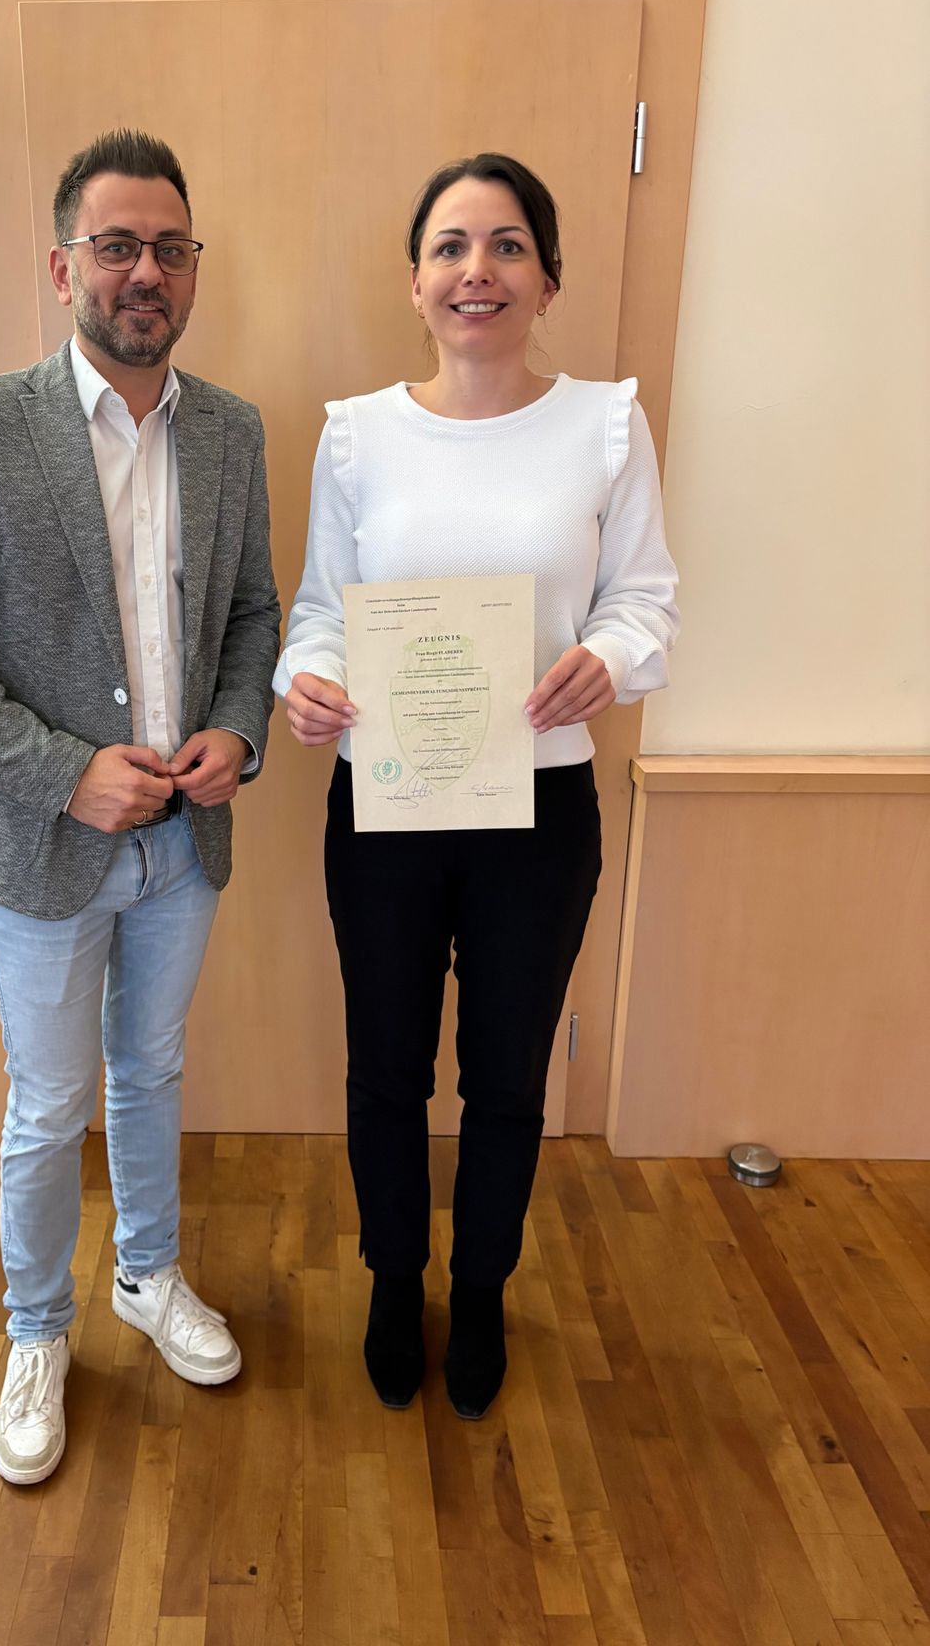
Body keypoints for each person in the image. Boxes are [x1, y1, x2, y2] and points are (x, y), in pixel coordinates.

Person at [0, 129, 280, 1483]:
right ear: (63, 267)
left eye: (169, 246)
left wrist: (234, 727)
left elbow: (249, 616)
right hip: (41, 849)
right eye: (116, 244)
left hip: (183, 847)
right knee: (50, 1105)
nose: (144, 270)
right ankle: (39, 1327)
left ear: (192, 268)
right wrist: (64, 768)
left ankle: (146, 1277)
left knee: (152, 1073)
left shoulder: (229, 431)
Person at [273, 153, 679, 1419]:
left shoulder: (606, 422)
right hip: (385, 808)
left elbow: (647, 602)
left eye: (507, 246)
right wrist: (309, 684)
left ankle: (485, 1285)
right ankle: (399, 1277)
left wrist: (603, 662)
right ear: (415, 281)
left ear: (547, 277)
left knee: (507, 1077)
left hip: (541, 811)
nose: (477, 271)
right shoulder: (357, 432)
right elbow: (317, 616)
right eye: (451, 247)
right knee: (386, 1067)